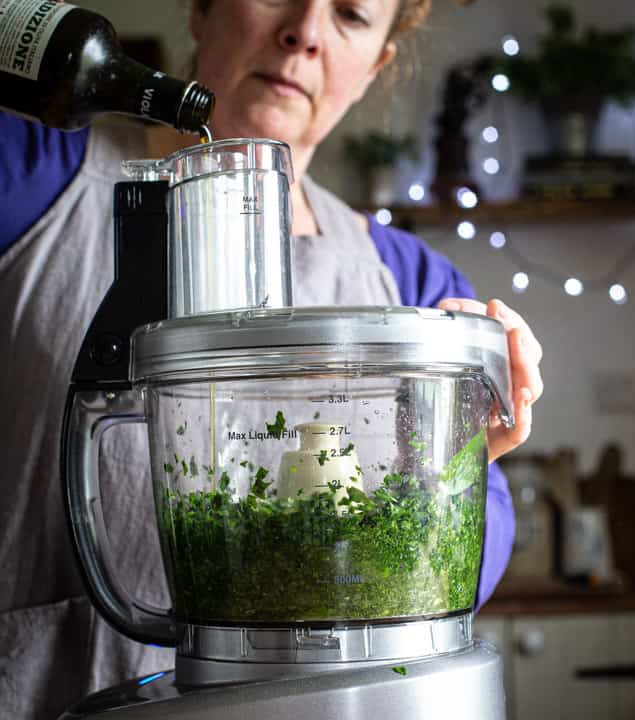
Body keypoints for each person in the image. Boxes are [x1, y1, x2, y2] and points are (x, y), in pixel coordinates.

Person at [0, 1, 543, 717]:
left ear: (376, 64)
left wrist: (459, 454)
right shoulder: (33, 171)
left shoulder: (415, 286)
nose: (305, 32)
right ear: (202, 8)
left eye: (351, 14)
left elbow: (480, 532)